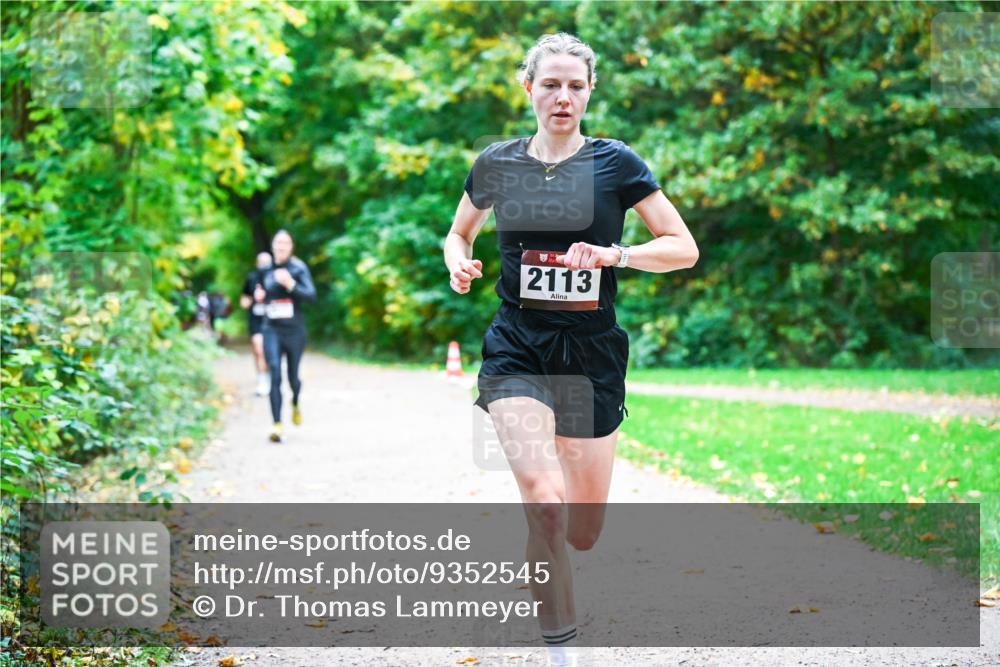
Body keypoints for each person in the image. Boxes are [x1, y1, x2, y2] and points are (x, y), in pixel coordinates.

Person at [443, 33, 699, 667]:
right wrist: (460, 263)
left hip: (591, 353)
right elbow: (458, 231)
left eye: (576, 86)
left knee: (582, 532)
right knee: (546, 505)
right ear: (527, 87)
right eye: (551, 84)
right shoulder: (497, 163)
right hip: (517, 346)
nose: (563, 97)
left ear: (590, 93)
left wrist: (620, 255)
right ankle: (563, 653)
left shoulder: (616, 164)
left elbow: (683, 246)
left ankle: (558, 559)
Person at [254, 230, 316, 443]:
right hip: (271, 328)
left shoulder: (298, 268)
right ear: (273, 246)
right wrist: (259, 297)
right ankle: (277, 424)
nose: (281, 247)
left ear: (291, 247)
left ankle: (296, 401)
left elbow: (311, 296)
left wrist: (290, 284)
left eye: (285, 243)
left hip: (294, 331)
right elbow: (260, 293)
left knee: (292, 378)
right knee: (274, 373)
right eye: (277, 243)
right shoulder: (265, 270)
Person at [240, 252, 274, 396]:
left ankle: (273, 377)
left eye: (267, 261)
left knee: (271, 352)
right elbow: (244, 299)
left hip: (273, 320)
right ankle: (262, 381)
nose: (264, 264)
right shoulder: (252, 278)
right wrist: (248, 301)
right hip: (256, 320)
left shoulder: (276, 277)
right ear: (257, 263)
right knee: (258, 350)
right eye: (261, 261)